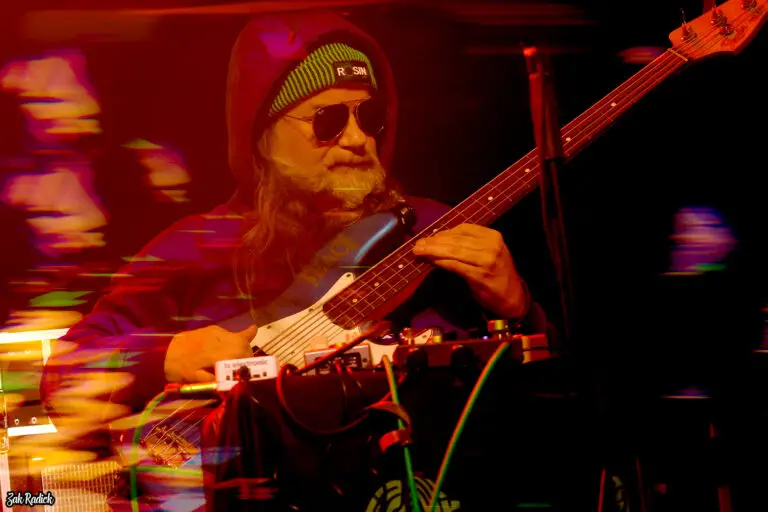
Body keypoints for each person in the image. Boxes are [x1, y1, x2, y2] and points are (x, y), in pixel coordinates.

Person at [38, 9, 549, 510]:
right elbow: (63, 375)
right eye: (328, 120)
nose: (358, 139)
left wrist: (520, 308)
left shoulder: (434, 231)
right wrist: (166, 355)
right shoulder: (195, 246)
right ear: (263, 135)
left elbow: (546, 411)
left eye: (369, 116)